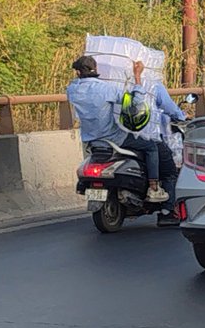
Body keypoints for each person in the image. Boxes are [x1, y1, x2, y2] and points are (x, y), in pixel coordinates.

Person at [65, 55, 168, 203]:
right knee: (151, 147)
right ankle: (153, 188)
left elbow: (74, 87)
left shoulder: (72, 90)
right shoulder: (106, 89)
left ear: (78, 72)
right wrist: (137, 76)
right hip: (114, 138)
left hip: (91, 141)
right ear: (96, 69)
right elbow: (136, 101)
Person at [143, 81, 188, 224]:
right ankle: (167, 212)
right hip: (149, 135)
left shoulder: (118, 84)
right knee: (169, 171)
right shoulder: (152, 85)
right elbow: (170, 108)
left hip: (120, 137)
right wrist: (181, 116)